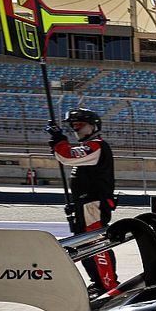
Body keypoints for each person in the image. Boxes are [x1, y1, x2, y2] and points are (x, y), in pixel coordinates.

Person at [46, 108, 118, 298]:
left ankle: (108, 284)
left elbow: (67, 155)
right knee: (83, 245)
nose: (76, 129)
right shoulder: (88, 146)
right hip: (83, 205)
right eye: (74, 126)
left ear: (93, 126)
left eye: (80, 125)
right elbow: (65, 156)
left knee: (96, 244)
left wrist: (58, 139)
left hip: (93, 205)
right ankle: (97, 282)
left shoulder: (97, 145)